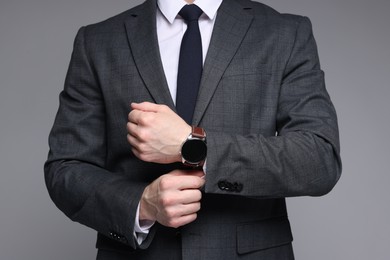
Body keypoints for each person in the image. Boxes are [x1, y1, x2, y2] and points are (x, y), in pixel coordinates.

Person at [44, 0, 342, 259]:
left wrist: (193, 145)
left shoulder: (284, 33)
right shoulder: (99, 41)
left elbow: (319, 159)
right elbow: (65, 168)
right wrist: (142, 204)